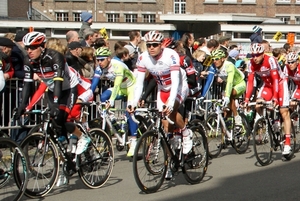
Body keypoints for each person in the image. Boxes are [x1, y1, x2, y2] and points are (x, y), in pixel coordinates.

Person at [15, 31, 91, 157]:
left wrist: (56, 103)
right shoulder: (28, 60)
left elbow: (58, 82)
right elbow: (27, 84)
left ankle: (82, 137)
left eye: (33, 47)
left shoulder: (55, 57)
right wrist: (23, 105)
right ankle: (66, 151)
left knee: (62, 118)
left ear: (43, 46)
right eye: (27, 48)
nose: (29, 51)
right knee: (53, 123)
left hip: (68, 88)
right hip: (52, 90)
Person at [132, 31, 192, 157]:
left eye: (155, 45)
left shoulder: (170, 55)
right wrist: (134, 102)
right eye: (149, 45)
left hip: (179, 86)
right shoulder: (143, 58)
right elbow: (139, 83)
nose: (151, 48)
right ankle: (170, 162)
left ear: (161, 45)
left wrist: (171, 101)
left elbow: (175, 81)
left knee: (171, 110)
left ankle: (186, 134)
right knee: (166, 126)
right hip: (162, 89)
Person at [244, 43, 292, 155]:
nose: (255, 57)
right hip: (267, 85)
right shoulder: (251, 63)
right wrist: (246, 99)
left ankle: (288, 144)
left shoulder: (270, 60)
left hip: (279, 83)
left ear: (262, 54)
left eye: (258, 55)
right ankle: (270, 122)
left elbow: (275, 79)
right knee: (258, 104)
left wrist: (275, 97)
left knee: (284, 111)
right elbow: (250, 82)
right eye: (253, 55)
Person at [94, 46, 138, 157]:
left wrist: (112, 101)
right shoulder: (100, 67)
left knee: (130, 111)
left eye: (102, 59)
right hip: (121, 88)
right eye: (97, 59)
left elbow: (117, 84)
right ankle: (113, 120)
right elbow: (94, 82)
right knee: (103, 97)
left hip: (131, 87)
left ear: (108, 58)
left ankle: (133, 141)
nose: (99, 62)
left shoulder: (117, 65)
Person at [211, 49, 246, 128]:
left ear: (222, 58)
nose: (214, 61)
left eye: (216, 59)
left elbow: (230, 82)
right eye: (212, 59)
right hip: (230, 85)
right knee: (227, 107)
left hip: (240, 84)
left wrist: (227, 96)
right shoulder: (214, 66)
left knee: (229, 95)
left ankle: (238, 120)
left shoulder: (229, 65)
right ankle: (229, 130)